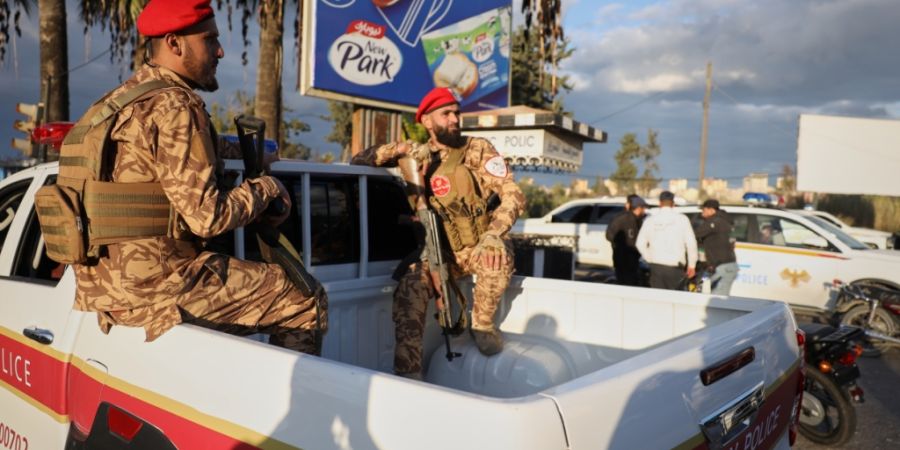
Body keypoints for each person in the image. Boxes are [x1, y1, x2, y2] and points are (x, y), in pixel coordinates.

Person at [65, 0, 326, 354]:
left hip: (105, 290)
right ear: (175, 44)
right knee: (304, 297)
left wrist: (248, 149)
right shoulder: (176, 104)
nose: (219, 51)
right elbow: (207, 218)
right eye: (209, 40)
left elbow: (179, 151)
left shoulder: (118, 103)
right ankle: (287, 408)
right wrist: (267, 187)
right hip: (158, 287)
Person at [352, 87, 525, 378]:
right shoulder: (419, 157)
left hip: (477, 246)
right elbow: (359, 160)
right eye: (446, 114)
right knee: (409, 288)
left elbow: (513, 194)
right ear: (427, 122)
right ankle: (409, 374)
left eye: (457, 112)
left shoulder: (477, 149)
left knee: (498, 256)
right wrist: (402, 149)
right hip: (438, 251)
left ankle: (482, 325)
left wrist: (494, 234)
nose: (455, 118)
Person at [635, 191, 698, 290]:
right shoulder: (682, 219)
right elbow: (691, 244)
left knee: (658, 299)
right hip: (675, 267)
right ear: (673, 204)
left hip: (656, 266)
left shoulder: (650, 220)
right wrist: (692, 265)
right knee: (675, 299)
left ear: (660, 203)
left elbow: (640, 244)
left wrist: (649, 258)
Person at [694, 199, 739, 295]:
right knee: (716, 297)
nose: (702, 212)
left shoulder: (714, 222)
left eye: (704, 210)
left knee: (717, 300)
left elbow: (695, 234)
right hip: (727, 265)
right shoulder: (726, 220)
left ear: (711, 210)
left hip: (722, 266)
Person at [605, 194, 648, 286]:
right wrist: (622, 245)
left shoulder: (638, 219)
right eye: (643, 208)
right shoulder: (624, 219)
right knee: (625, 284)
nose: (644, 210)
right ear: (638, 208)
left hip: (632, 259)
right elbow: (609, 235)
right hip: (623, 259)